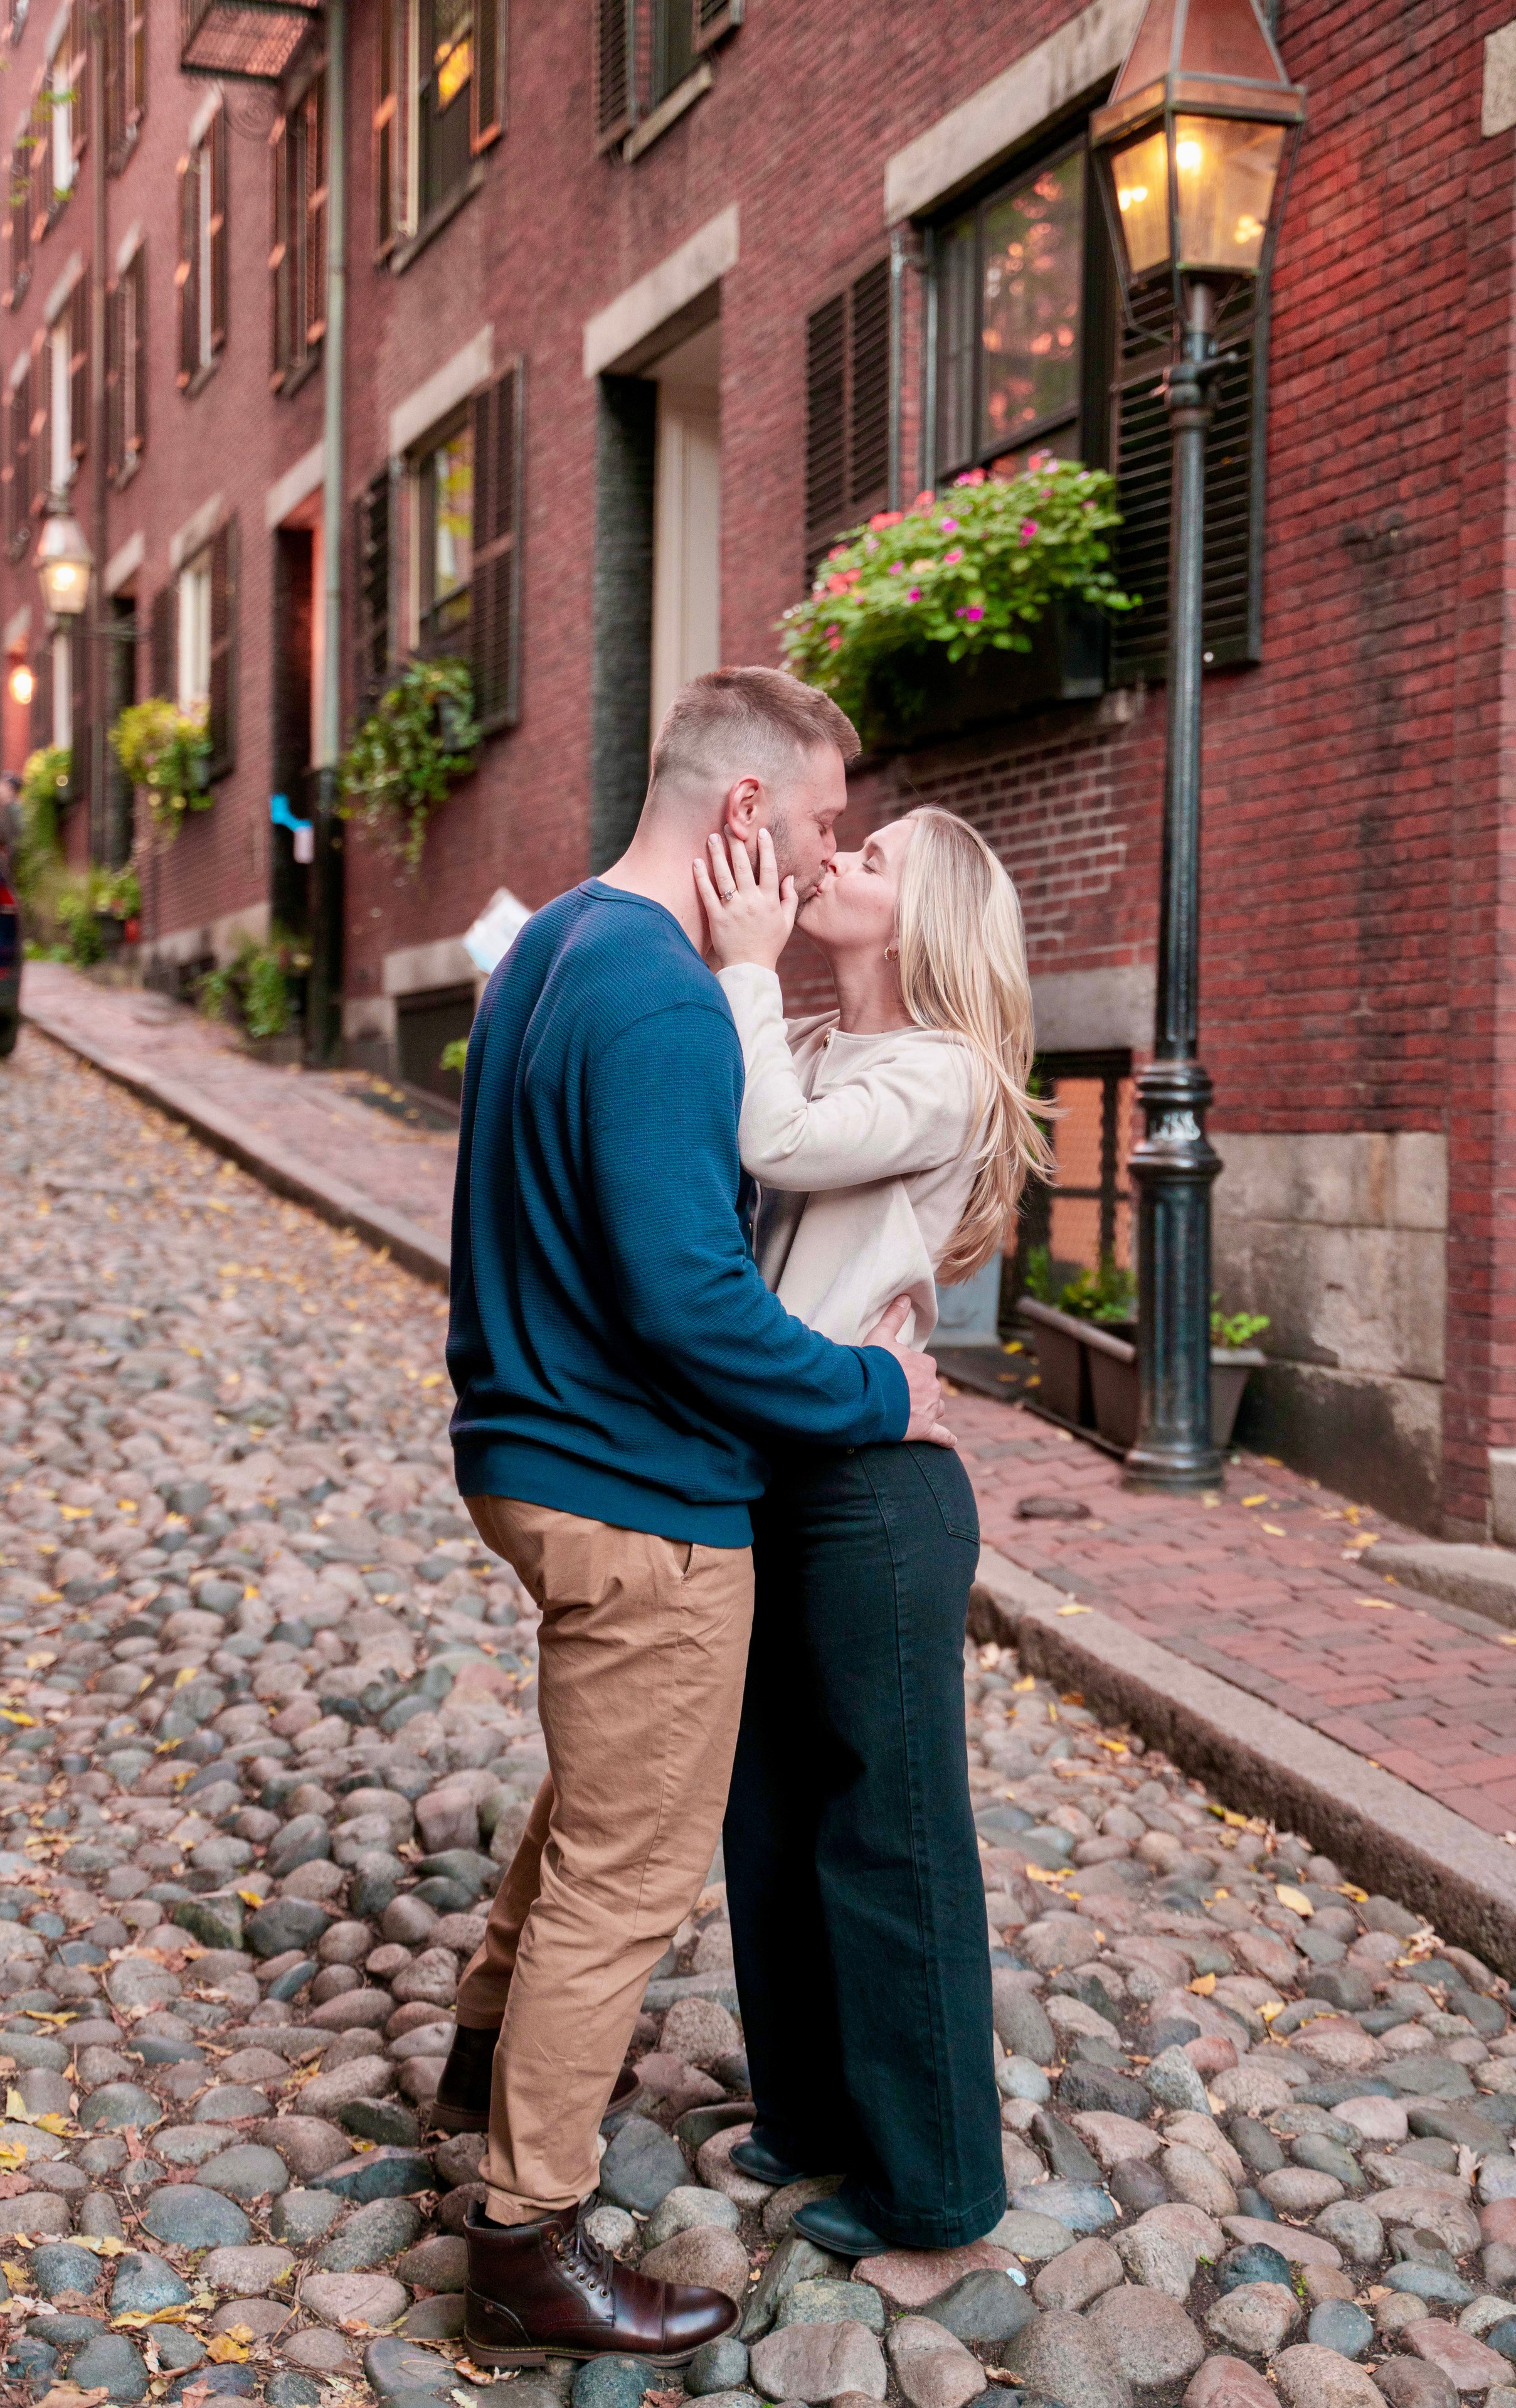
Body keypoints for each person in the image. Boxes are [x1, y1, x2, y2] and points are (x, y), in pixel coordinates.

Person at [438, 668, 953, 2370]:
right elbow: (691, 1299)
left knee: (600, 1788)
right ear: (740, 812)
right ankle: (525, 2236)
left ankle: (484, 2041)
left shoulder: (554, 946)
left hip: (532, 1448)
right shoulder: (662, 993)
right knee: (634, 1862)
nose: (821, 861)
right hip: (637, 1484)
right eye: (815, 823)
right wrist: (881, 1393)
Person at [692, 802, 1052, 2257]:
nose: (838, 859)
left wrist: (735, 959)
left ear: (925, 919)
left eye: (874, 855)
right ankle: (808, 2115)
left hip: (875, 1496)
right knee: (768, 1810)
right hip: (785, 1466)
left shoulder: (947, 1073)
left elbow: (770, 1140)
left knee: (887, 1832)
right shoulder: (833, 1042)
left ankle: (936, 2180)